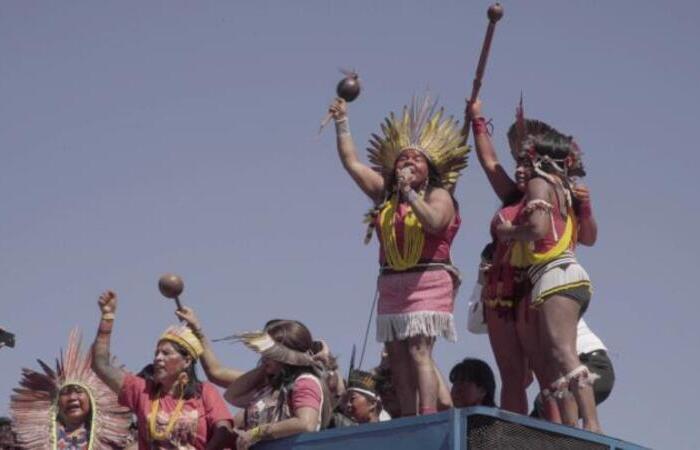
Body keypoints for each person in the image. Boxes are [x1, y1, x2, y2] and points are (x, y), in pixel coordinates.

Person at [329, 95, 469, 416]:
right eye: (403, 158)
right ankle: (407, 416)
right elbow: (351, 162)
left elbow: (435, 223)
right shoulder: (384, 193)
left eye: (416, 159)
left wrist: (408, 193)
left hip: (428, 278)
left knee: (420, 351)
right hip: (392, 283)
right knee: (396, 355)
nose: (408, 162)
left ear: (429, 168)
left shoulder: (439, 194)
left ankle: (428, 414)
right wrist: (342, 122)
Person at [471, 99, 601, 432]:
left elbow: (586, 238)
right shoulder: (513, 195)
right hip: (502, 289)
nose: (518, 167)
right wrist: (477, 120)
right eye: (516, 161)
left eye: (525, 162)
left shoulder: (551, 191)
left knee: (549, 364)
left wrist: (585, 208)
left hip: (535, 283)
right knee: (511, 373)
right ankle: (516, 435)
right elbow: (489, 161)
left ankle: (562, 432)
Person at [90, 290, 234, 449]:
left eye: (166, 353)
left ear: (186, 361)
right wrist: (107, 317)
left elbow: (224, 431)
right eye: (156, 353)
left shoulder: (204, 392)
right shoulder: (143, 391)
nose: (158, 358)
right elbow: (101, 365)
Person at [10, 328, 131, 450]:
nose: (72, 398)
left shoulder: (115, 440)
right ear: (56, 401)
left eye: (79, 391)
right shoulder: (41, 438)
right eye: (65, 393)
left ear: (92, 398)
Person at [220, 320, 332, 450]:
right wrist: (267, 365)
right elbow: (232, 395)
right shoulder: (270, 388)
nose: (263, 356)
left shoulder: (305, 382)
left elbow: (306, 423)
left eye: (271, 352)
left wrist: (257, 433)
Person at [532, 319, 615, 418]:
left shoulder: (537, 310)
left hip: (594, 367)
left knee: (546, 401)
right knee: (535, 418)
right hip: (589, 368)